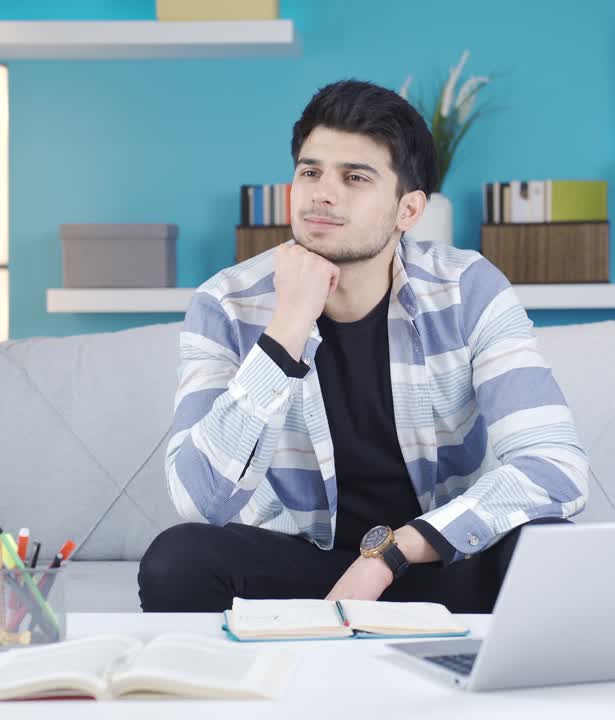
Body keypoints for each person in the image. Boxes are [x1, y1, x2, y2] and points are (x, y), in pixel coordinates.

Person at [138, 79, 590, 614]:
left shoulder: (466, 288)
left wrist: (390, 555)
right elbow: (199, 501)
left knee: (551, 548)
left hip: (431, 559)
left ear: (409, 210)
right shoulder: (226, 303)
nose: (322, 194)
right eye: (310, 172)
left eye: (355, 177)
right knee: (176, 561)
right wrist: (286, 328)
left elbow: (555, 465)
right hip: (304, 566)